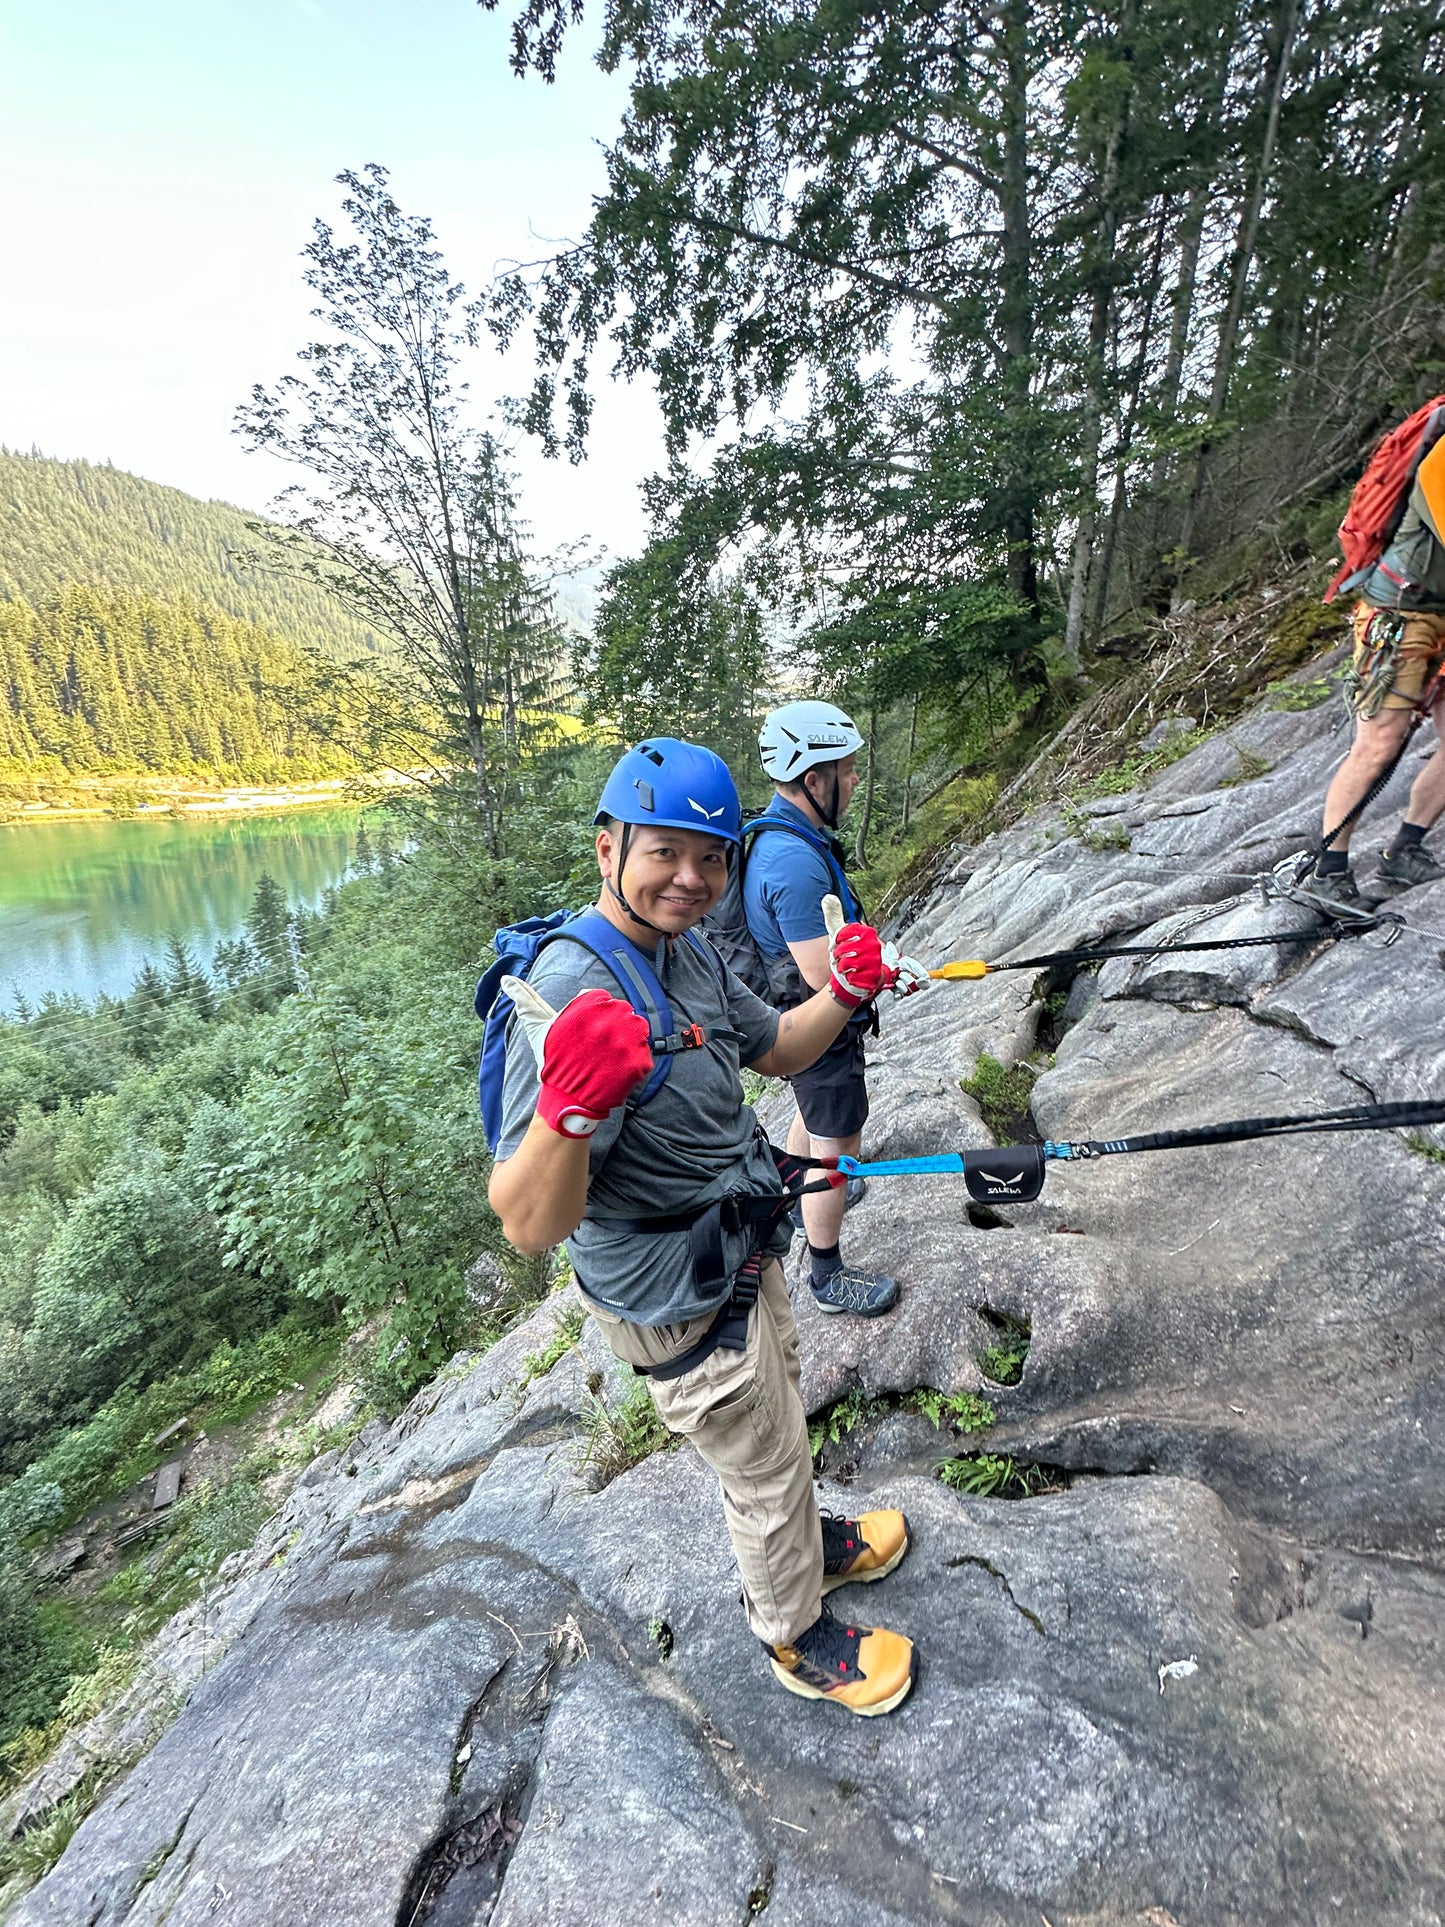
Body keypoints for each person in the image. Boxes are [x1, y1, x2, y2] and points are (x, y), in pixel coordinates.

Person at [488, 737, 917, 1715]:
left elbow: (773, 1047)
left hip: (736, 1240)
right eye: (664, 852)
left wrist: (841, 994)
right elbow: (526, 1221)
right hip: (673, 1296)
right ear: (608, 850)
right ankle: (793, 1632)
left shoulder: (682, 955)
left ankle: (804, 1544)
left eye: (710, 858)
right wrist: (566, 1113)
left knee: (777, 1411)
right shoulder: (571, 990)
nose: (690, 877)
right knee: (758, 1463)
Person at [742, 701, 927, 1318]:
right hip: (818, 1031)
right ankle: (825, 1274)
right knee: (835, 1135)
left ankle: (802, 1189)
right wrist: (887, 972)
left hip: (803, 1026)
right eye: (846, 771)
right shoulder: (792, 861)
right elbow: (827, 975)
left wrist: (883, 957)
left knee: (813, 1120)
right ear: (812, 779)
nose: (854, 782)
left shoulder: (789, 837)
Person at [1313, 476, 1445, 911]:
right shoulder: (1442, 455)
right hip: (1400, 614)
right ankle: (1328, 872)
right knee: (1379, 744)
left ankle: (1405, 850)